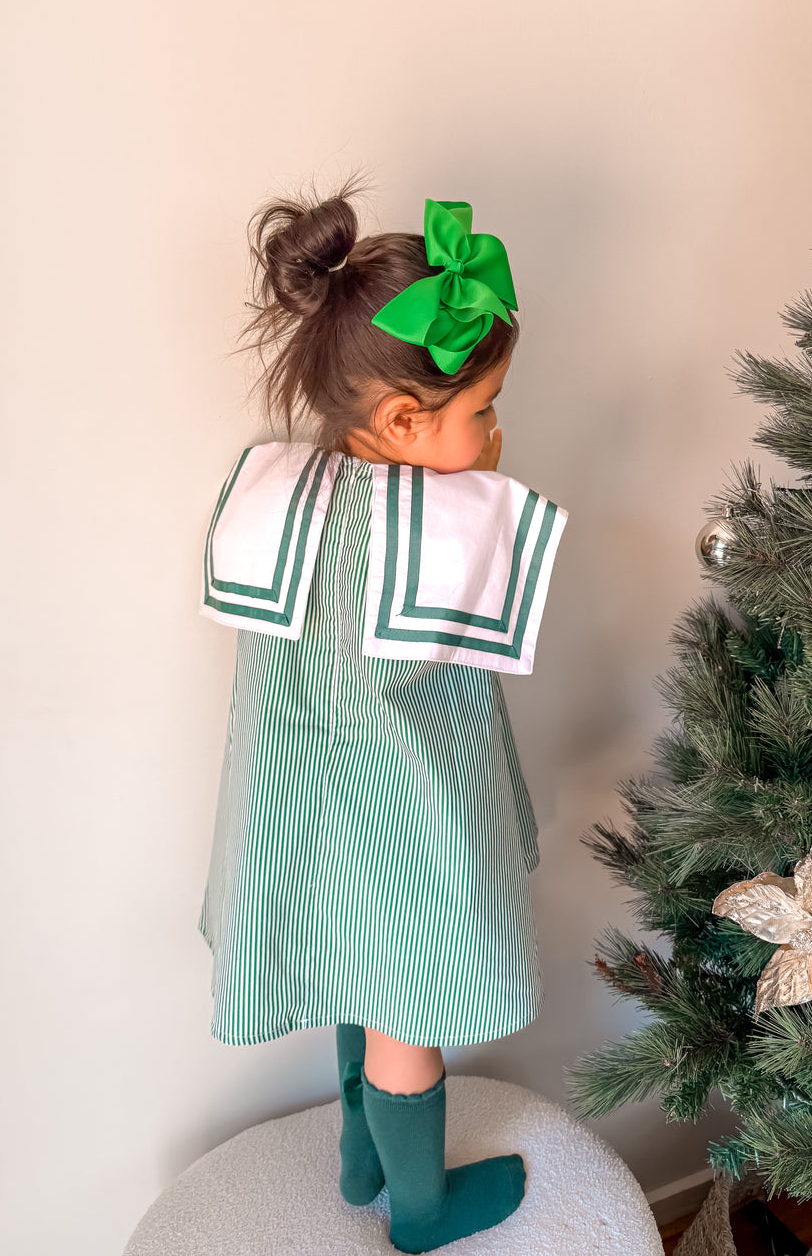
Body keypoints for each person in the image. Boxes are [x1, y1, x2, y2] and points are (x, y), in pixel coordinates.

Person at [198, 188, 567, 1254]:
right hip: (402, 818)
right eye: (482, 410)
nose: (497, 434)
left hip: (303, 814)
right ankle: (417, 1209)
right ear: (403, 422)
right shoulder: (442, 530)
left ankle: (362, 1156)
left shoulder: (278, 496)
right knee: (408, 1007)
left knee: (355, 975)